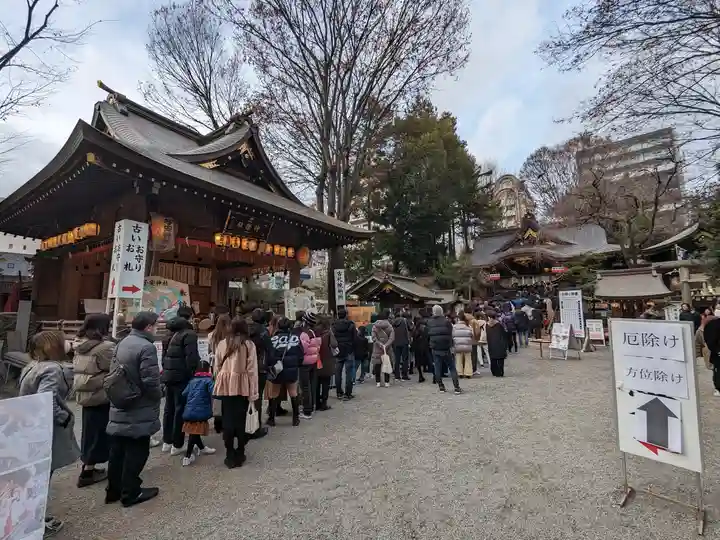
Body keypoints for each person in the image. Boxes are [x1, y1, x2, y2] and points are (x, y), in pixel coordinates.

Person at [19, 331, 80, 536]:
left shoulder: (33, 366)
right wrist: (63, 417)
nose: (69, 344)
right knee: (40, 477)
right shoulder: (53, 369)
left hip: (27, 428)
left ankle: (29, 518)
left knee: (32, 476)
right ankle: (32, 522)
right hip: (42, 430)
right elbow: (46, 399)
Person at [105, 311, 162, 507]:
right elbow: (150, 380)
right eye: (155, 325)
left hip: (120, 399)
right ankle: (131, 492)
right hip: (139, 404)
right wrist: (158, 395)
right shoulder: (146, 347)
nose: (156, 329)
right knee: (137, 450)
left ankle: (113, 489)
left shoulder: (122, 341)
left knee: (118, 449)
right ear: (148, 327)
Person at [72, 313, 115, 488]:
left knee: (90, 431)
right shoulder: (104, 348)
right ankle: (88, 471)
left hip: (86, 393)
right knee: (100, 431)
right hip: (101, 393)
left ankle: (88, 466)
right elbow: (114, 367)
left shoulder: (80, 343)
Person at [213, 318, 259, 468]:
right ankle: (240, 452)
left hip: (225, 385)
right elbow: (252, 371)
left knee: (227, 420)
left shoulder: (222, 343)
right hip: (242, 385)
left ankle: (229, 454)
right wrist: (254, 392)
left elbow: (216, 366)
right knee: (240, 420)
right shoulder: (248, 344)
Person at [161, 305, 201, 456]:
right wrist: (193, 375)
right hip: (182, 377)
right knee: (180, 409)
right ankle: (177, 444)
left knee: (168, 408)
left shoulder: (169, 333)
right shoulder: (189, 334)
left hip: (168, 375)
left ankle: (167, 440)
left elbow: (164, 357)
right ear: (190, 316)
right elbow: (191, 358)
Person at [266, 316, 303, 425]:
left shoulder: (273, 339)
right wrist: (297, 365)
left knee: (274, 393)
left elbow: (270, 355)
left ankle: (272, 419)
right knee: (293, 392)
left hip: (278, 370)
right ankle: (295, 419)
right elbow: (301, 355)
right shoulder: (295, 338)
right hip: (292, 370)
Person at [180, 361, 216, 466]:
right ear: (208, 369)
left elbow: (184, 393)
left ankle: (202, 448)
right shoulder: (208, 381)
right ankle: (187, 456)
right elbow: (214, 392)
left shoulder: (192, 381)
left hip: (189, 410)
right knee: (194, 433)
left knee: (194, 431)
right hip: (201, 411)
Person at [248, 308, 272, 439]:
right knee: (257, 397)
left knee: (247, 396)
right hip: (260, 367)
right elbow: (269, 349)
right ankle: (255, 427)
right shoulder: (263, 332)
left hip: (246, 366)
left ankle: (246, 425)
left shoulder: (245, 330)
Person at [427, 305, 462, 394]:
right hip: (446, 347)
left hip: (435, 348)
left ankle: (441, 386)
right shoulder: (447, 322)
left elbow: (428, 334)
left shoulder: (429, 322)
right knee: (452, 367)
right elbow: (451, 334)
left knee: (437, 367)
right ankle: (456, 387)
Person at [208, 313, 232, 433]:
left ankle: (217, 421)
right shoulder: (231, 337)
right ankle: (227, 420)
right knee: (228, 394)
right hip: (228, 368)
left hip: (215, 369)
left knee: (217, 395)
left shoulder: (211, 336)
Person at [298, 312, 322, 419]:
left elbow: (302, 349)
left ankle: (307, 411)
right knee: (312, 385)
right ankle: (311, 406)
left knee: (305, 387)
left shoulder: (304, 334)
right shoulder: (315, 332)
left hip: (305, 363)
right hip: (313, 362)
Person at [332, 306, 357, 399]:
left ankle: (339, 392)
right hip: (349, 350)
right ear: (346, 315)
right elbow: (355, 338)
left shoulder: (333, 325)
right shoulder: (351, 325)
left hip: (338, 351)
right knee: (349, 373)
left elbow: (332, 338)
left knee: (337, 373)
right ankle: (348, 393)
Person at [316, 316, 338, 411]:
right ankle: (324, 403)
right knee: (325, 383)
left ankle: (316, 403)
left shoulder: (314, 332)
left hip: (315, 360)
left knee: (316, 383)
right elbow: (334, 344)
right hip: (326, 360)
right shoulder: (328, 333)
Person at [371, 309, 395, 387]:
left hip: (377, 348)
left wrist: (379, 344)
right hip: (387, 349)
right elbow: (392, 338)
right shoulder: (390, 326)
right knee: (386, 364)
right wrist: (386, 345)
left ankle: (378, 382)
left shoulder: (375, 326)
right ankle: (387, 382)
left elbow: (373, 338)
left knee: (377, 365)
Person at [481, 310, 508, 377]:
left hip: (491, 343)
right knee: (500, 359)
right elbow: (504, 334)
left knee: (493, 358)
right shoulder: (499, 324)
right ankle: (500, 372)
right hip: (500, 343)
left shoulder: (487, 325)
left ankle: (494, 371)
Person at [391, 309, 413, 381]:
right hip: (404, 342)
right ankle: (404, 375)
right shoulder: (405, 320)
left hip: (395, 343)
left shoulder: (392, 322)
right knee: (405, 359)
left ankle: (397, 375)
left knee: (397, 359)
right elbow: (410, 329)